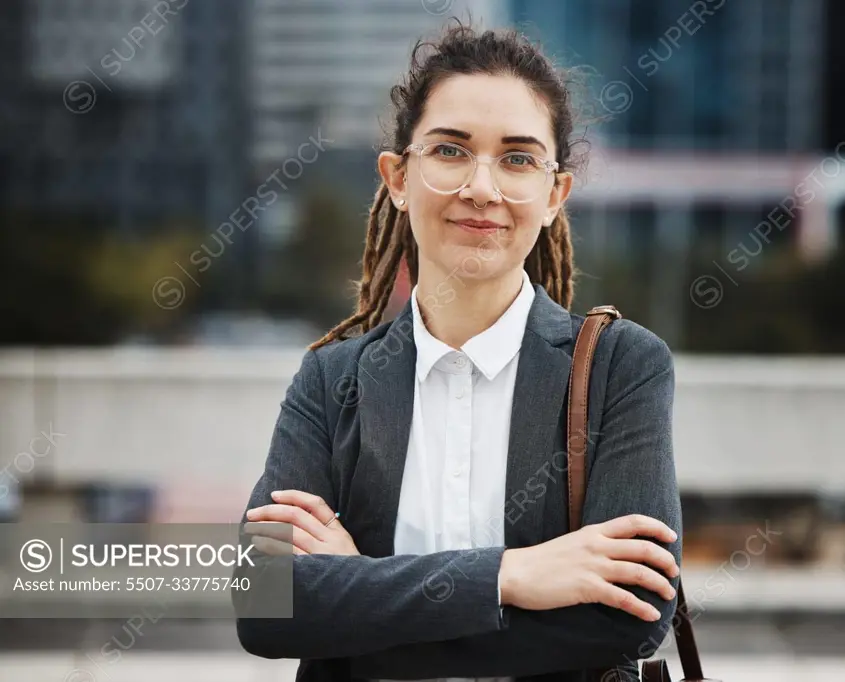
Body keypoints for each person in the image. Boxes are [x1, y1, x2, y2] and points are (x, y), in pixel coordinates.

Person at [236, 21, 683, 682]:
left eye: (518, 157)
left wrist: (360, 589)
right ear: (397, 176)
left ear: (555, 194)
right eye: (451, 151)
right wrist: (511, 574)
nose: (482, 187)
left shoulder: (624, 368)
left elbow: (630, 615)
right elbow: (266, 607)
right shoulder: (329, 380)